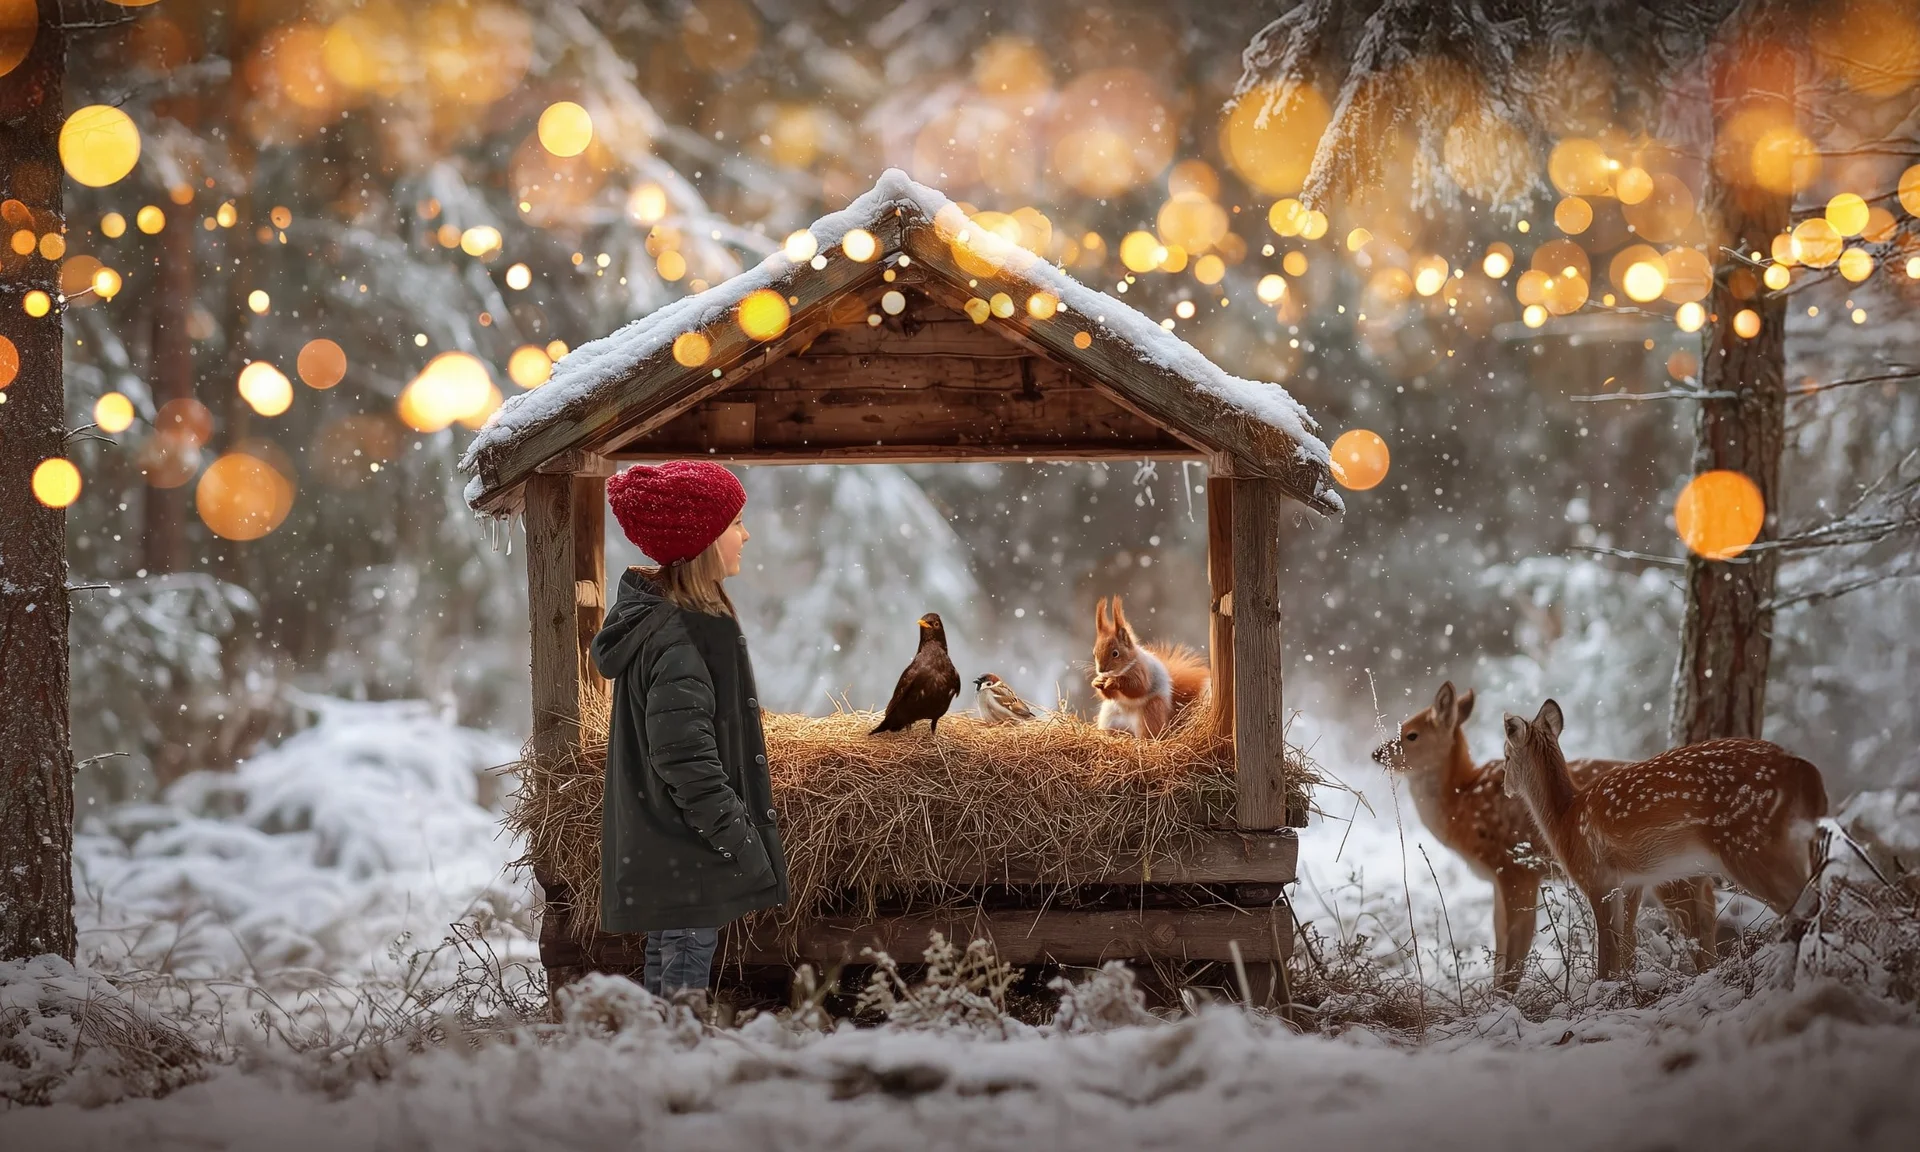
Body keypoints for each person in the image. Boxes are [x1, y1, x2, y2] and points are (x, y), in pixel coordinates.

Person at [592, 461, 788, 1000]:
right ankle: (672, 1080)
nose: (746, 535)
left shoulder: (680, 624)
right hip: (689, 854)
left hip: (676, 854)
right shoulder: (679, 639)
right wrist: (741, 841)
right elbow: (684, 760)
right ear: (701, 541)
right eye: (735, 524)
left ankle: (659, 1068)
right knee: (680, 1009)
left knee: (667, 988)